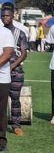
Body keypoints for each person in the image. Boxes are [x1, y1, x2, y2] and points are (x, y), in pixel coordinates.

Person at [1, 7, 27, 136]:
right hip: (1, 71)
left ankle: (16, 125)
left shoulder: (19, 33)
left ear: (13, 16)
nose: (6, 18)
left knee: (15, 99)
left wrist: (12, 66)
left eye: (8, 16)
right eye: (3, 16)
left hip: (15, 71)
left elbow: (23, 53)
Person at [0, 22, 14, 151]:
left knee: (1, 111)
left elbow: (8, 53)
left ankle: (1, 142)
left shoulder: (5, 32)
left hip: (1, 78)